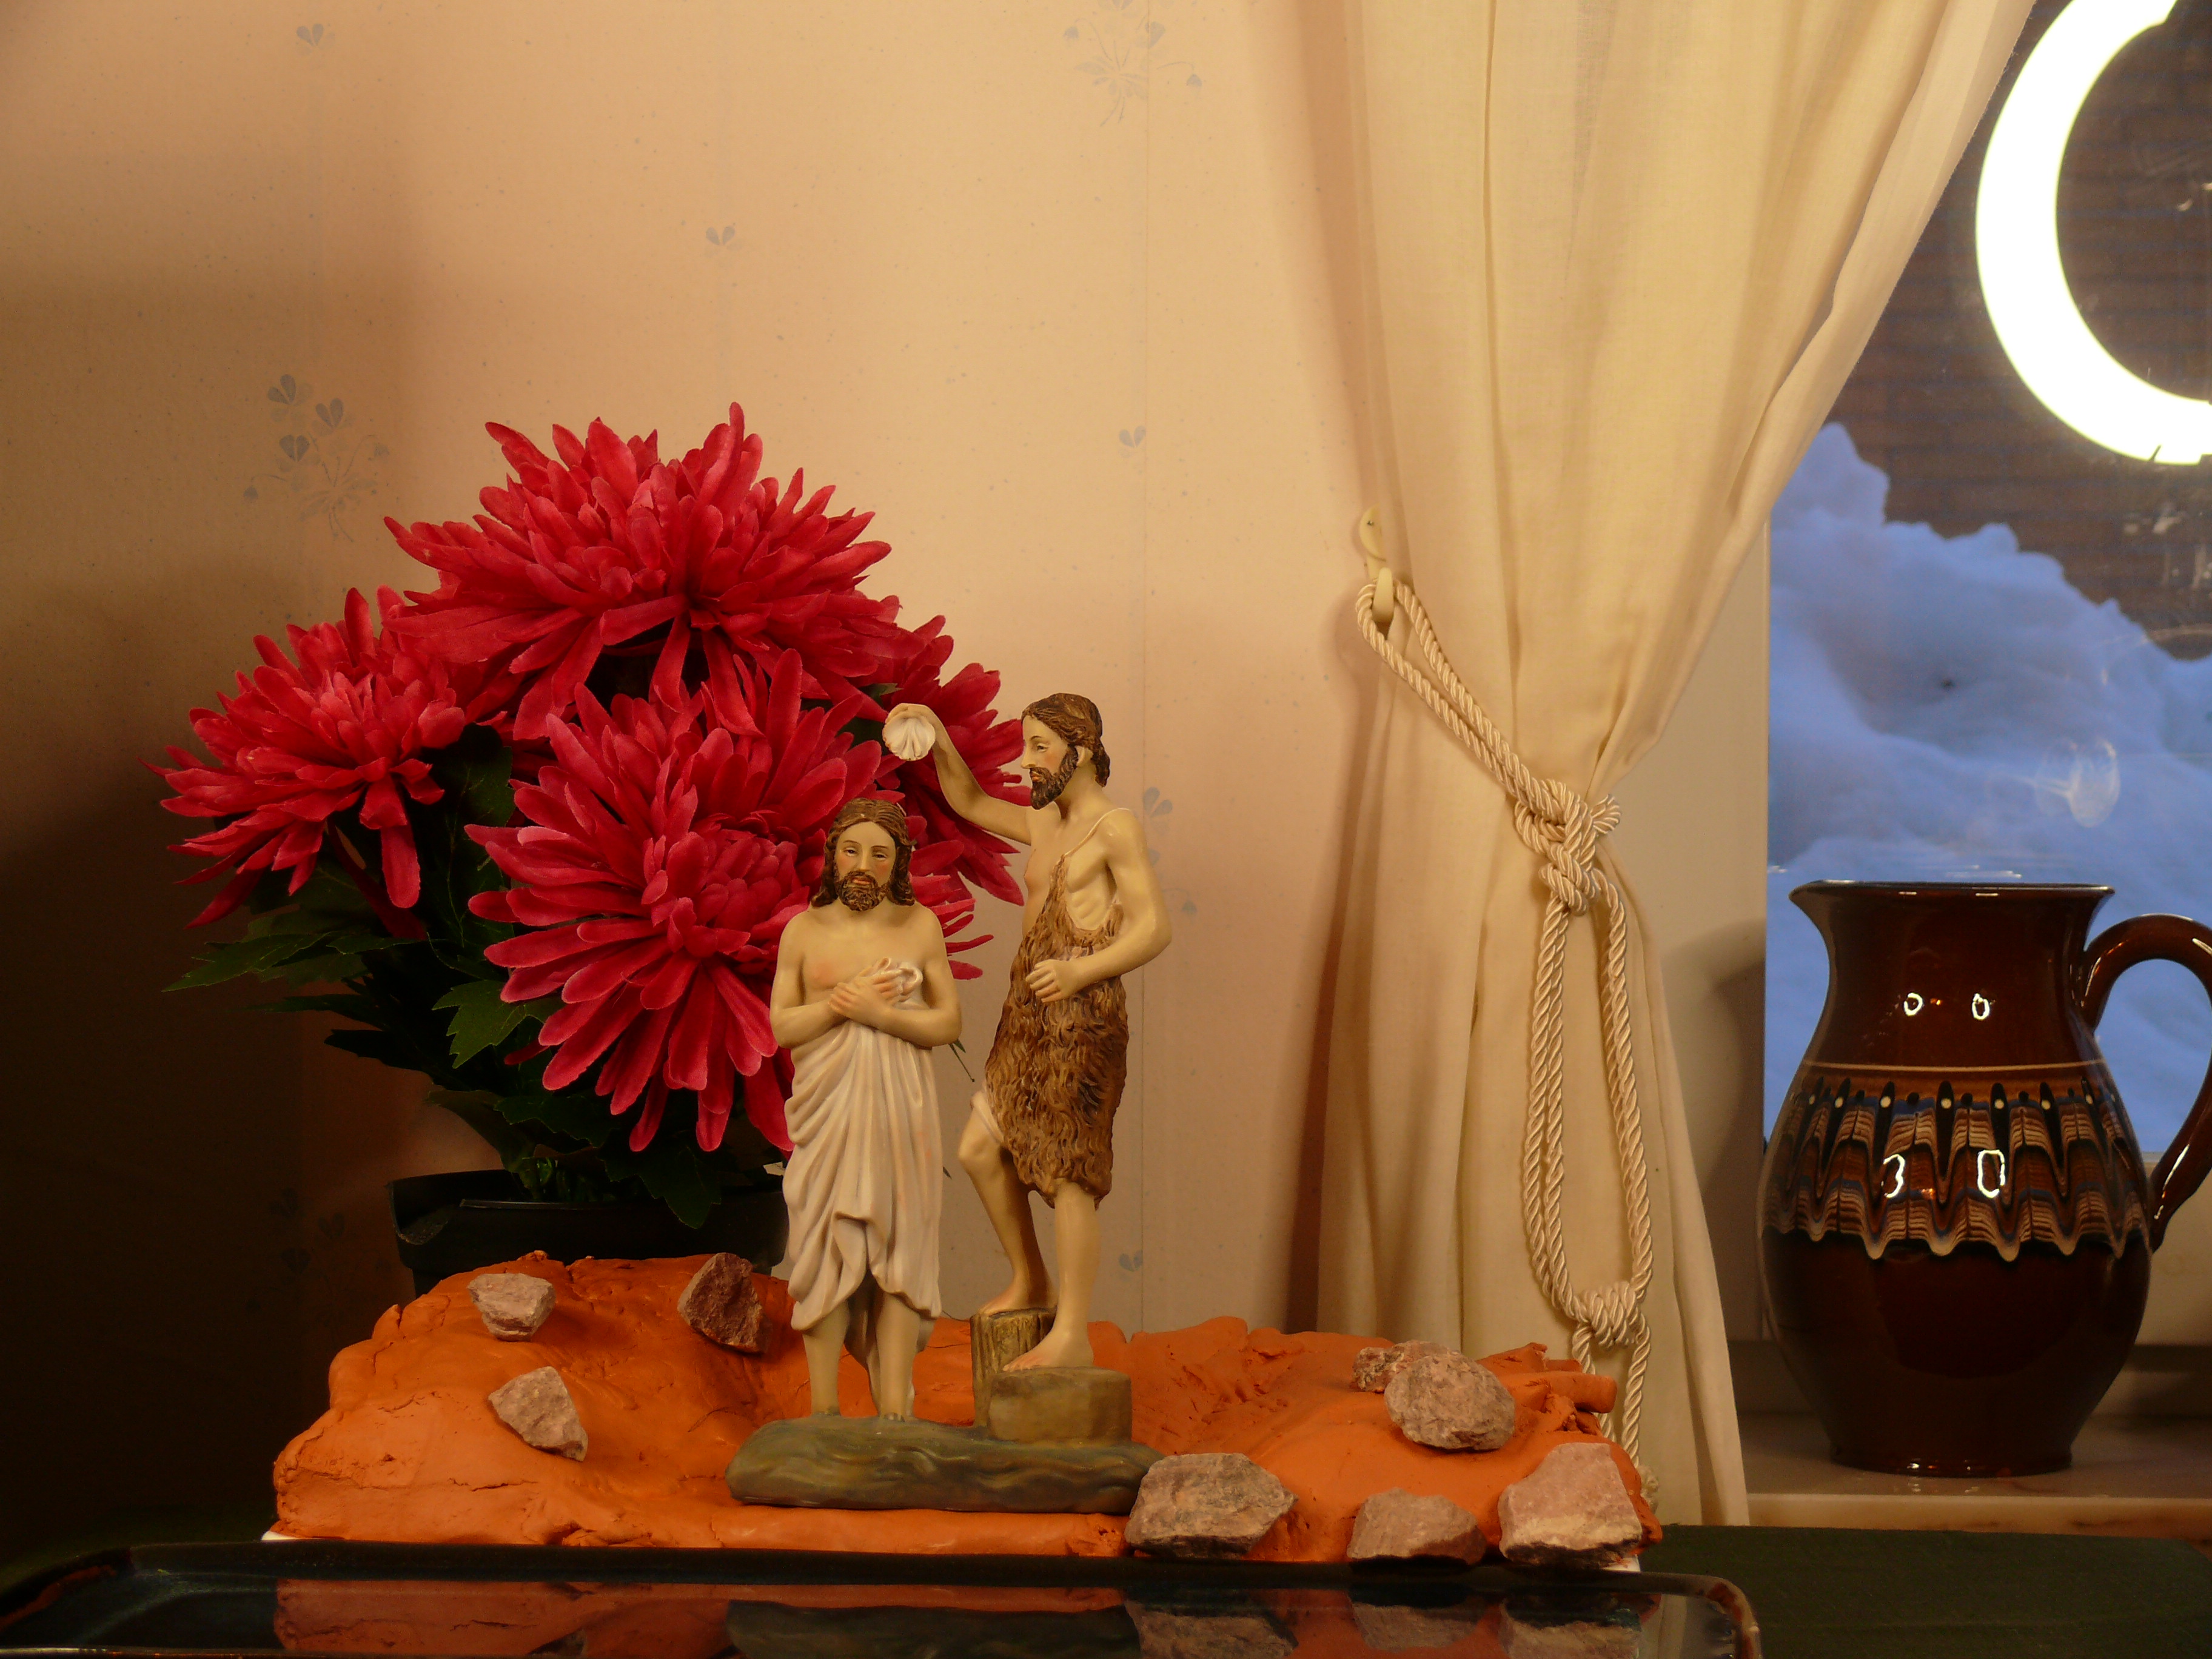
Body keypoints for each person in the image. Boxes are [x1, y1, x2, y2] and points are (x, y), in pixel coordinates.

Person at [880, 692, 1171, 1370]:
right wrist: (941, 742)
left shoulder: (1114, 829)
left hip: (1082, 1018)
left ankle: (1071, 1331)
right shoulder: (1048, 822)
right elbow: (972, 805)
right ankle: (1030, 1277)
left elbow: (1154, 926)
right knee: (983, 1148)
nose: (1027, 760)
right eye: (1025, 744)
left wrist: (1081, 973)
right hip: (1029, 1015)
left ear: (1080, 748)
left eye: (1039, 746)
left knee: (1070, 1175)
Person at [768, 797, 961, 1418]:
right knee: (825, 1246)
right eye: (852, 850)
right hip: (829, 1115)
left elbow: (948, 1021)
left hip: (900, 1116)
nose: (863, 864)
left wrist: (882, 1015)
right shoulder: (804, 930)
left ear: (898, 862)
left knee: (900, 1250)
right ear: (832, 857)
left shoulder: (918, 926)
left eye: (880, 854)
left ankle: (896, 1415)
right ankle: (824, 1411)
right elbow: (782, 1026)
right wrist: (838, 1008)